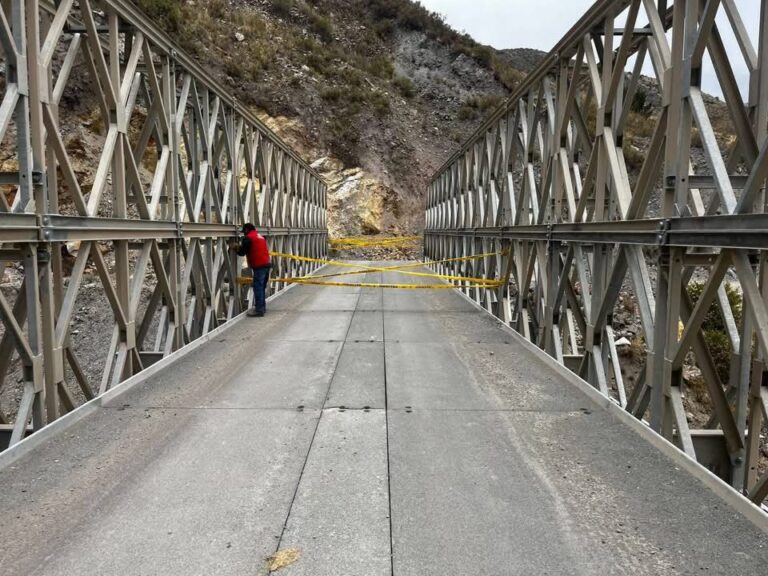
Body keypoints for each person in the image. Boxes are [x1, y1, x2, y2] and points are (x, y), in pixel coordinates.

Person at [236, 223, 271, 317]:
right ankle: (262, 307)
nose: (244, 234)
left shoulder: (248, 238)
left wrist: (235, 248)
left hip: (259, 266)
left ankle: (259, 310)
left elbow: (242, 253)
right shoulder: (260, 236)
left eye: (244, 232)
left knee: (258, 287)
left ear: (247, 230)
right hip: (266, 264)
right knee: (261, 287)